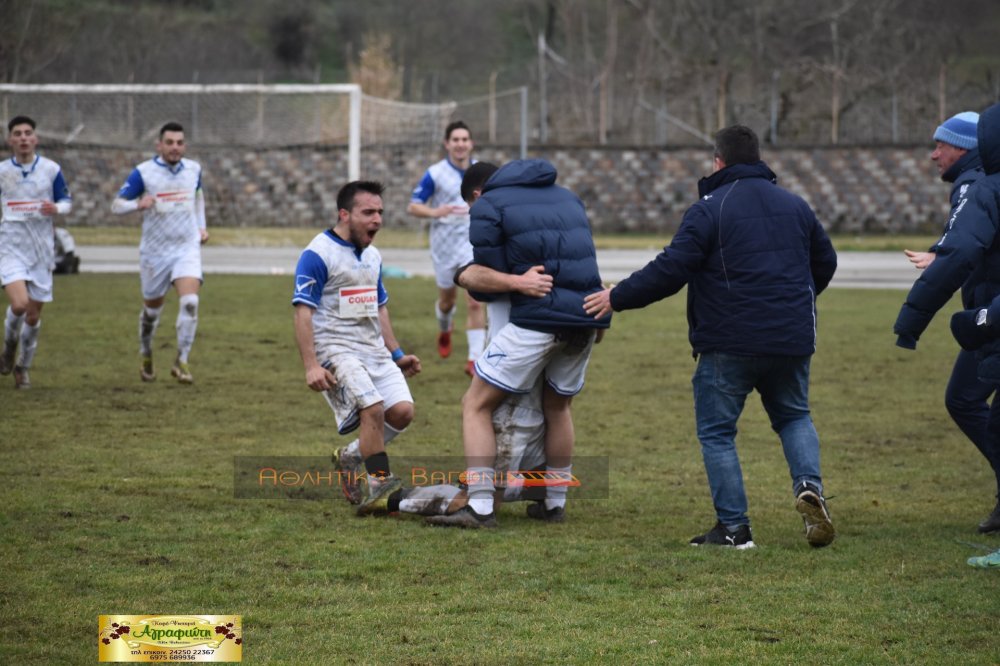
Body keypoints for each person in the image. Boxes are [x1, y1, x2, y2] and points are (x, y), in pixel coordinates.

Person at [584, 125, 838, 549]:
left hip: (729, 342)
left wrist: (617, 296)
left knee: (718, 432)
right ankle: (809, 487)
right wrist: (790, 306)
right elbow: (824, 263)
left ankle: (735, 529)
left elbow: (672, 268)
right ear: (758, 159)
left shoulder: (709, 208)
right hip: (791, 338)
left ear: (717, 162)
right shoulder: (796, 206)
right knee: (794, 416)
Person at [427, 158, 611, 529]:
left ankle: (479, 507)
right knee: (558, 407)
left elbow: (486, 282)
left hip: (537, 320)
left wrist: (509, 281)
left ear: (476, 195)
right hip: (586, 316)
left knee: (474, 404)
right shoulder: (566, 197)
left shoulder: (490, 205)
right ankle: (552, 502)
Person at [895, 102, 1000, 545]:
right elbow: (967, 238)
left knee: (964, 400)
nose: (934, 155)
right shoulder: (977, 184)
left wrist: (912, 319)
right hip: (988, 314)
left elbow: (965, 245)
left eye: (941, 145)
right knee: (965, 401)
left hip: (991, 319)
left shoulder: (976, 185)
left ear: (965, 149)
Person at [293, 180, 421, 516]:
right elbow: (302, 311)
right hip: (336, 350)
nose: (377, 219)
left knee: (403, 412)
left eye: (380, 212)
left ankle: (350, 457)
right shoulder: (317, 254)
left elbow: (379, 307)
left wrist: (397, 353)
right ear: (345, 214)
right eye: (368, 212)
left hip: (373, 349)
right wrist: (311, 365)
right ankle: (380, 485)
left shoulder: (374, 255)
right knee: (374, 409)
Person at [111, 122, 208, 384]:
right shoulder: (143, 173)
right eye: (169, 142)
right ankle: (146, 353)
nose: (175, 147)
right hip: (155, 252)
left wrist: (201, 228)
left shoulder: (194, 170)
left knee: (190, 302)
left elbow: (198, 198)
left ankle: (182, 360)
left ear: (184, 145)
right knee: (152, 312)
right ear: (159, 145)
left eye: (179, 142)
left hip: (186, 247)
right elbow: (116, 205)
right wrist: (137, 204)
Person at [407, 120, 486, 376]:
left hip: (473, 245)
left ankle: (474, 360)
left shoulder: (482, 171)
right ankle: (445, 326)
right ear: (447, 144)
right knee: (446, 301)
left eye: (465, 139)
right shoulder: (435, 173)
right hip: (443, 247)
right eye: (456, 140)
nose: (461, 144)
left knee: (475, 301)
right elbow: (413, 205)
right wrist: (435, 211)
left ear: (471, 143)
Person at [0, 115, 73, 389]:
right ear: (10, 140)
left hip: (41, 250)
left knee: (33, 315)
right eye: (17, 133)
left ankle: (23, 367)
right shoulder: (2, 171)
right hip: (10, 247)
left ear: (35, 139)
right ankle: (8, 349)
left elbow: (66, 200)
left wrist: (57, 208)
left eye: (27, 133)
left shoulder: (51, 169)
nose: (23, 138)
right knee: (19, 305)